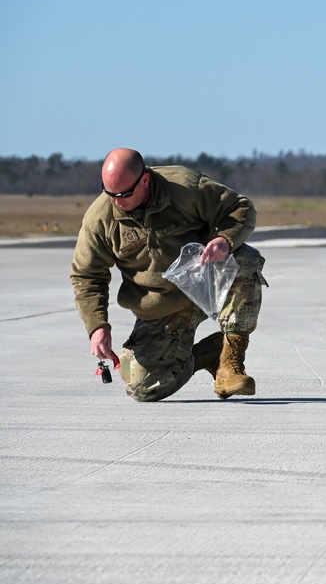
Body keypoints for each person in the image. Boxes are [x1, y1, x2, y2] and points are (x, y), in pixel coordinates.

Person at [71, 148, 267, 402]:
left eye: (124, 194)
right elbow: (87, 275)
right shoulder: (100, 220)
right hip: (162, 307)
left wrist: (224, 240)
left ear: (144, 180)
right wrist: (97, 326)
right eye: (111, 193)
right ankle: (211, 354)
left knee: (245, 260)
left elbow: (239, 208)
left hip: (206, 283)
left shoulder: (185, 187)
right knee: (140, 386)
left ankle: (231, 363)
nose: (117, 201)